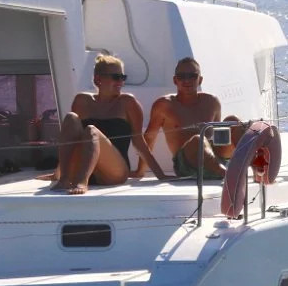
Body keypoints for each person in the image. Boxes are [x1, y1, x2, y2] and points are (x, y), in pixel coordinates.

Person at [49, 54, 168, 194]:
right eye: (116, 77)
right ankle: (64, 178)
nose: (120, 82)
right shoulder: (82, 101)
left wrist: (160, 175)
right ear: (98, 79)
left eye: (123, 77)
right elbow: (71, 140)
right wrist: (57, 173)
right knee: (71, 118)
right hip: (84, 167)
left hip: (114, 172)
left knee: (91, 131)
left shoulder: (127, 102)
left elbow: (139, 141)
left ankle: (82, 182)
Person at [140, 57, 242, 180]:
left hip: (216, 157)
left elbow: (218, 140)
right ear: (175, 80)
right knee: (198, 140)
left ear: (200, 80)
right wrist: (146, 172)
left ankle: (256, 167)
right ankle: (225, 173)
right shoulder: (164, 105)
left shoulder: (212, 102)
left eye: (192, 76)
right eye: (181, 76)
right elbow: (149, 139)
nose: (186, 80)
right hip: (187, 166)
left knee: (233, 121)